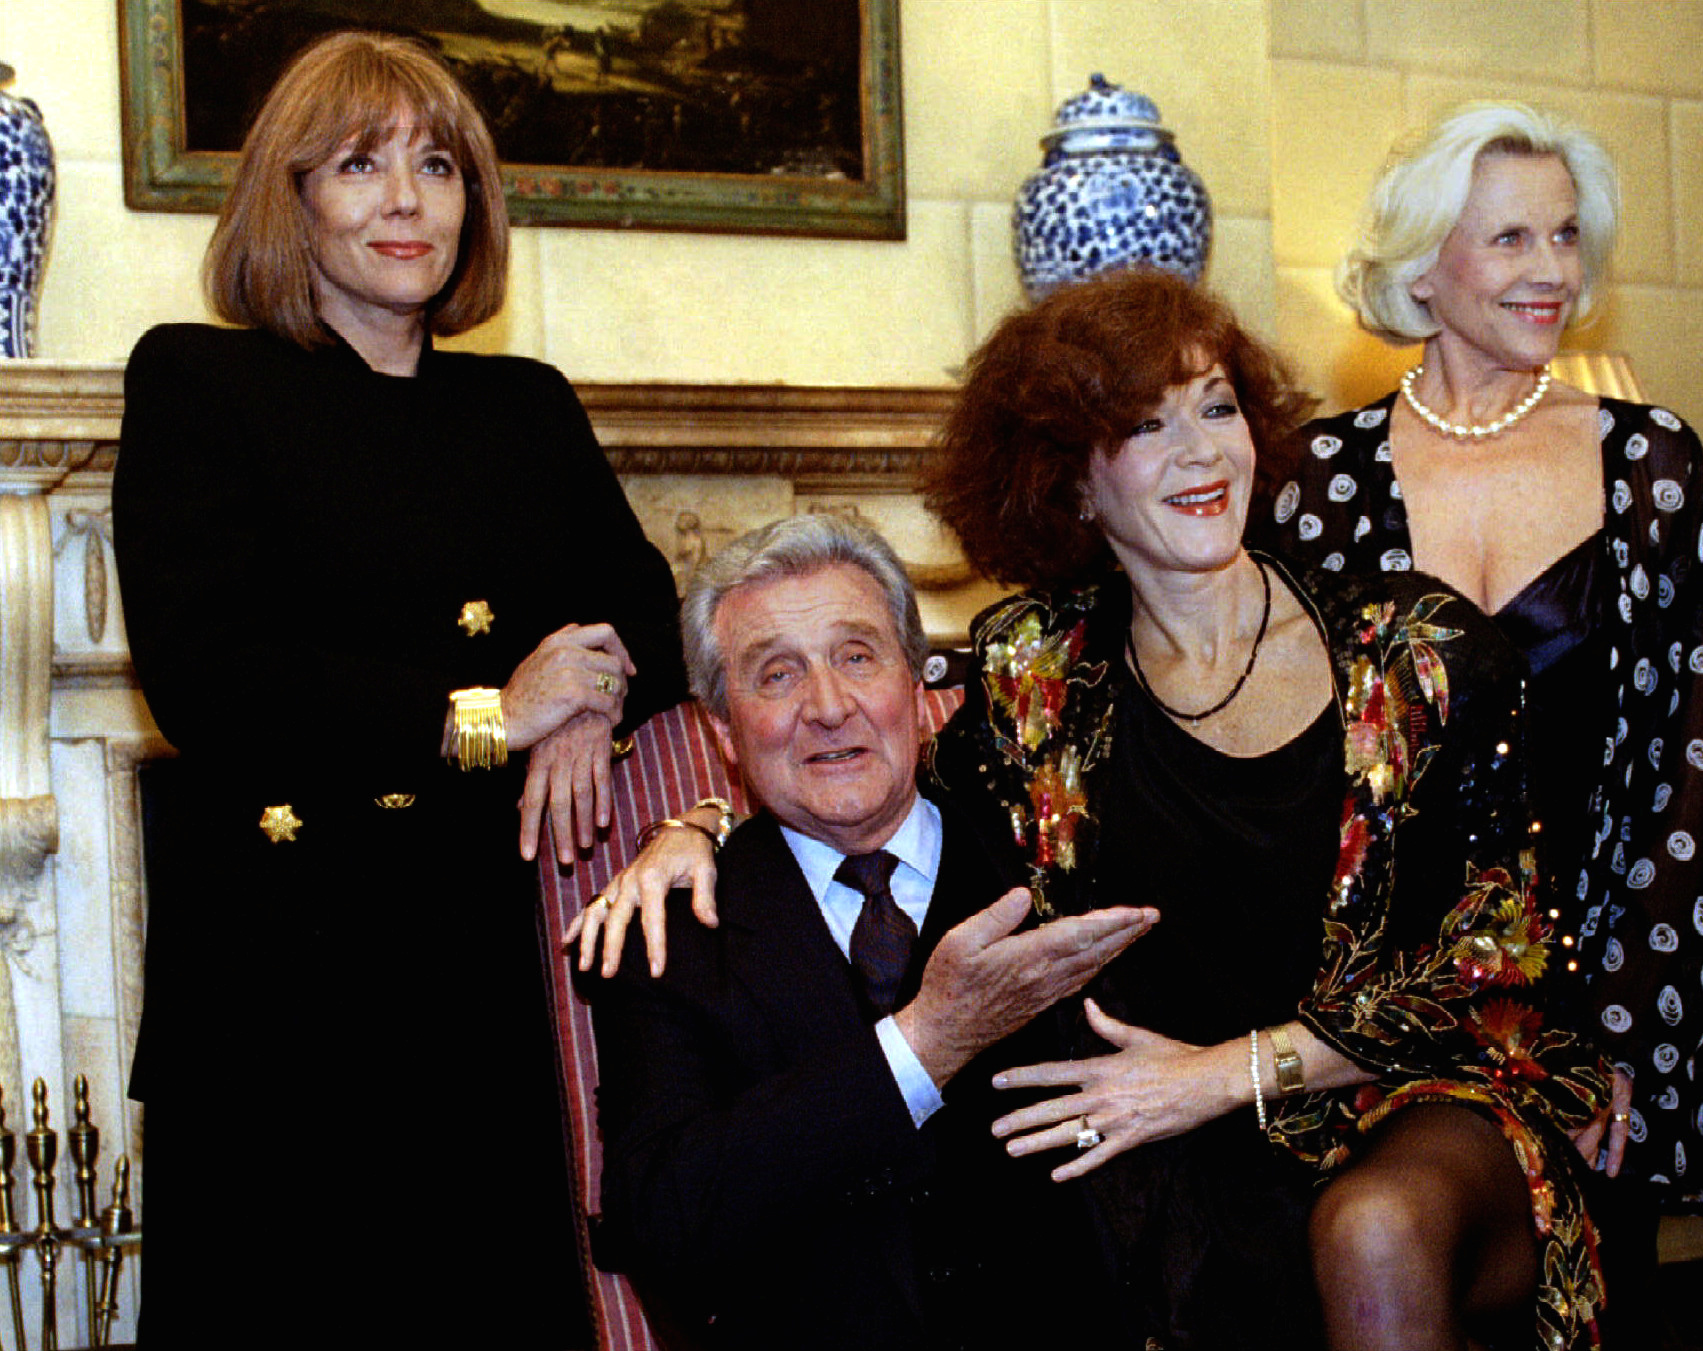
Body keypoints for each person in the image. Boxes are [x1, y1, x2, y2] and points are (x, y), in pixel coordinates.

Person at [578, 270, 1614, 1350]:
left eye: (1216, 407)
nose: (1199, 452)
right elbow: (869, 785)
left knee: (1372, 1230)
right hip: (1182, 1151)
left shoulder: (1420, 652)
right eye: (1144, 426)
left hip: (1404, 1108)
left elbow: (1503, 962)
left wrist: (1219, 1075)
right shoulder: (1035, 681)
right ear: (1071, 478)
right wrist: (692, 827)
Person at [112, 31, 685, 1348]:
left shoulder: (526, 405)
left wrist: (587, 699)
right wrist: (495, 714)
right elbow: (214, 678)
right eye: (359, 165)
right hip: (283, 996)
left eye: (438, 165)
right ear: (292, 197)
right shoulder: (199, 382)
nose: (406, 199)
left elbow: (649, 614)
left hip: (489, 981)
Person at [1259, 101, 1703, 1342]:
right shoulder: (1313, 482)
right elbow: (1271, 761)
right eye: (1512, 238)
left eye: (1566, 236)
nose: (1552, 271)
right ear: (1423, 265)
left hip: (1586, 1019)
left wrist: (1620, 1043)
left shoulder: (1649, 466)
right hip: (1368, 1025)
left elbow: (1695, 784)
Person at [582, 514, 1157, 1349]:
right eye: (777, 674)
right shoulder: (666, 932)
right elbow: (661, 1222)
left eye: (856, 656)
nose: (827, 706)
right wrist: (921, 1045)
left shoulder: (1051, 859)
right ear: (722, 730)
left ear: (917, 690)